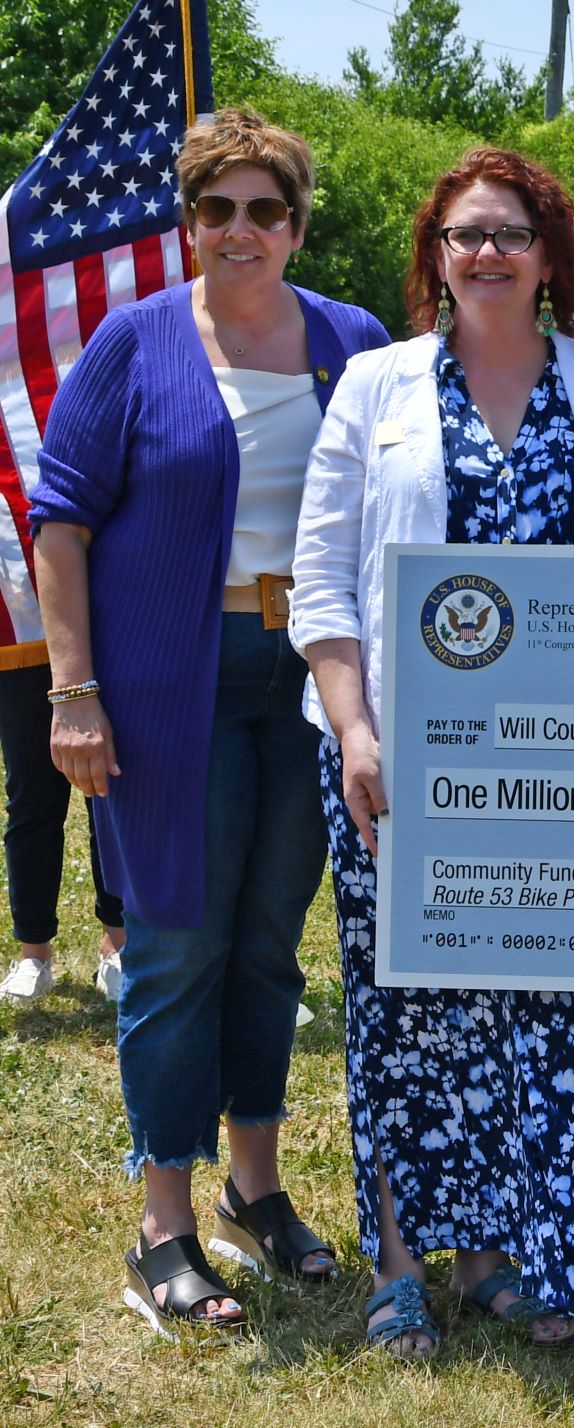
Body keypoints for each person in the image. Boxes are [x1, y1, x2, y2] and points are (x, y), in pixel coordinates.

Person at [290, 147, 574, 1356]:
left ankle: (514, 1256)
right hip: (399, 759)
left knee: (549, 1009)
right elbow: (324, 583)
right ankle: (400, 1262)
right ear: (436, 258)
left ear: (553, 252)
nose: (488, 253)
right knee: (407, 1008)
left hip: (565, 767)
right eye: (466, 236)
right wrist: (354, 731)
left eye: (511, 233)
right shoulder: (375, 386)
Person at [30, 108, 388, 1334]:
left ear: (297, 223)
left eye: (266, 209)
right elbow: (61, 520)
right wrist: (73, 692)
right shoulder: (132, 344)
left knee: (268, 947)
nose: (242, 230)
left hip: (310, 678)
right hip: (166, 683)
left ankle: (257, 1190)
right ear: (189, 222)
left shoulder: (355, 343)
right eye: (217, 209)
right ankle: (164, 1227)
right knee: (177, 945)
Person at [0, 653, 124, 1005]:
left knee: (105, 792)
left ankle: (117, 946)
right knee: (30, 800)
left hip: (99, 634)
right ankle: (33, 954)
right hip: (21, 637)